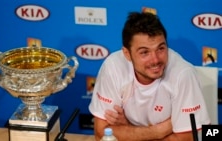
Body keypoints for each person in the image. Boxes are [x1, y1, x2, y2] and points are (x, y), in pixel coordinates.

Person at [88, 11, 210, 141]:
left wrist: (127, 130)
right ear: (127, 54)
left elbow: (187, 138)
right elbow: (102, 133)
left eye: (161, 49)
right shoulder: (113, 67)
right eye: (144, 52)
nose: (155, 60)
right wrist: (158, 131)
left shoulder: (183, 74)